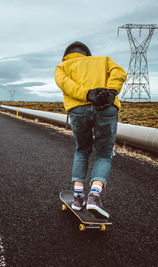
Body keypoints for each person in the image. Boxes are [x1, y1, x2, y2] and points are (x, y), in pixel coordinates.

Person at [55, 41, 126, 219]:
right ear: (87, 54)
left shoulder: (63, 66)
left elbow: (65, 85)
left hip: (79, 109)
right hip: (106, 108)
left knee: (82, 150)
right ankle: (94, 196)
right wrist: (110, 92)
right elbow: (119, 72)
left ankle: (78, 198)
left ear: (67, 55)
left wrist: (87, 94)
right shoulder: (103, 61)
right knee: (103, 154)